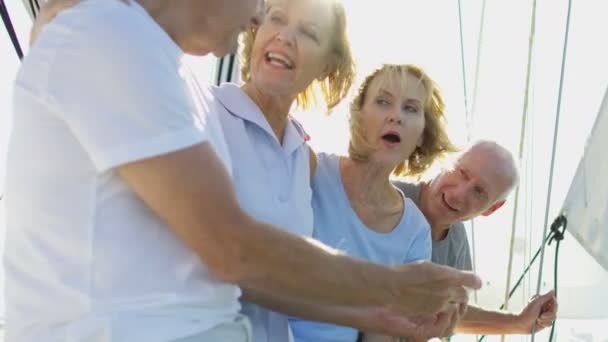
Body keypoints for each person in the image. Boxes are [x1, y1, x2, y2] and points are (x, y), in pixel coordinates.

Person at [7, 0, 481, 341]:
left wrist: (382, 318)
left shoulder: (286, 148)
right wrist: (393, 286)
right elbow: (232, 248)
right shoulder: (110, 30)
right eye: (267, 9)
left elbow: (250, 273)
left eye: (307, 31)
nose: (258, 19)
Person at [287, 63, 459, 342]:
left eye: (411, 109)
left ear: (422, 135)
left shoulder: (415, 230)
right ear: (359, 115)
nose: (396, 117)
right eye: (383, 102)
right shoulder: (310, 170)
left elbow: (381, 332)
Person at [363, 141, 558, 341]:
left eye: (479, 191)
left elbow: (448, 314)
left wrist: (520, 323)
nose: (458, 195)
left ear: (492, 209)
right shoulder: (383, 199)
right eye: (461, 172)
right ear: (446, 161)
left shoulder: (457, 240)